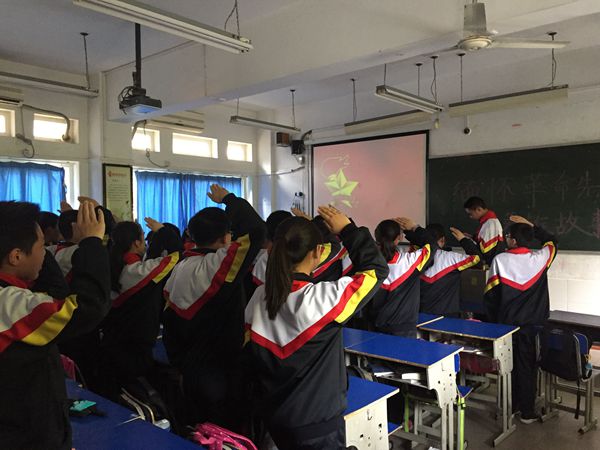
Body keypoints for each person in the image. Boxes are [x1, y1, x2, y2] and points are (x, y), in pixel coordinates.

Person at [245, 205, 388, 450]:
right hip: (317, 425)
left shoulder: (258, 297)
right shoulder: (322, 299)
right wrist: (348, 230)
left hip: (274, 418)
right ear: (318, 252)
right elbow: (376, 270)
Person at [0, 201, 110, 450]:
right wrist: (92, 242)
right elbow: (87, 306)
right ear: (16, 256)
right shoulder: (10, 304)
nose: (46, 253)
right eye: (42, 246)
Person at [162, 184, 266, 428]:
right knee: (226, 434)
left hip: (190, 369)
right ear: (226, 237)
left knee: (197, 431)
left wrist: (179, 366)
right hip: (223, 371)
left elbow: (169, 323)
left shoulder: (179, 268)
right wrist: (229, 199)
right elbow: (257, 231)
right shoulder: (218, 265)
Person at [484, 215, 557, 424]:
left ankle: (512, 406)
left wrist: (495, 323)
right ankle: (527, 411)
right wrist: (533, 226)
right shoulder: (540, 258)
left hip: (507, 326)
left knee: (508, 367)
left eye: (507, 236)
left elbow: (490, 296)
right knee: (528, 367)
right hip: (533, 326)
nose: (505, 239)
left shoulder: (500, 260)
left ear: (514, 241)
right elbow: (553, 242)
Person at [100, 218, 181, 398]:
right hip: (136, 344)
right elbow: (177, 255)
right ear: (136, 243)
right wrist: (163, 231)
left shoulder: (109, 268)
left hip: (111, 340)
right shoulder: (139, 271)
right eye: (143, 238)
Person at [367, 217, 436, 338]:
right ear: (399, 238)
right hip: (403, 329)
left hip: (373, 326)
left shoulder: (368, 262)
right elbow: (432, 245)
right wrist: (414, 228)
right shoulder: (409, 262)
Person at [419, 223, 480, 316]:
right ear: (442, 240)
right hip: (447, 316)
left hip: (420, 314)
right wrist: (463, 240)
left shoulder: (414, 257)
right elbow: (478, 259)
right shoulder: (451, 258)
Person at [453, 196, 505, 265]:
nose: (470, 217)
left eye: (470, 214)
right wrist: (472, 238)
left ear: (479, 209)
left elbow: (484, 255)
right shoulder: (487, 222)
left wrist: (464, 240)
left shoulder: (491, 224)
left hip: (490, 266)